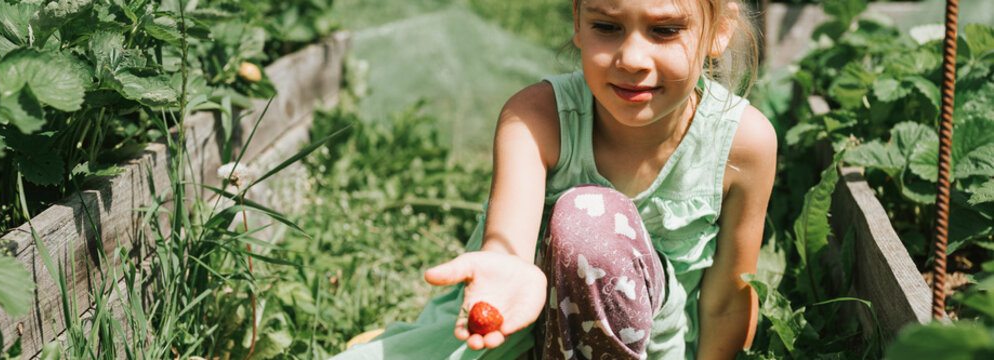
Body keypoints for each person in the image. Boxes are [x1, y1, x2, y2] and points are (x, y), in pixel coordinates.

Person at [332, 0, 776, 358]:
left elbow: (726, 302)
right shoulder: (537, 117)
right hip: (522, 326)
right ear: (578, 21)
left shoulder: (744, 143)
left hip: (651, 347)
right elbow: (509, 240)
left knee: (594, 216)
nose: (632, 58)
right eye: (607, 26)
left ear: (719, 31)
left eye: (664, 31)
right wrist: (506, 265)